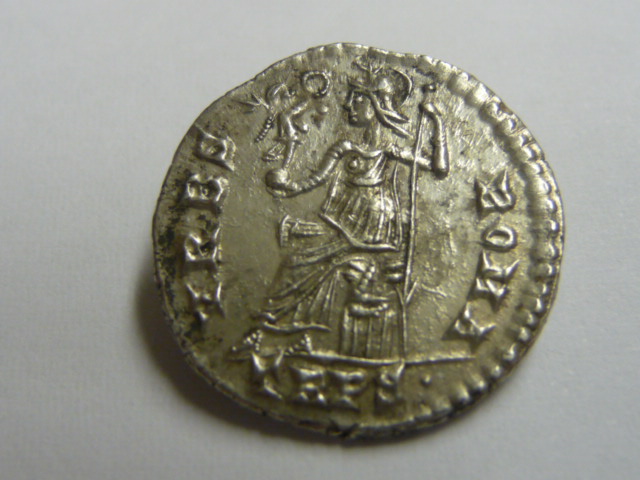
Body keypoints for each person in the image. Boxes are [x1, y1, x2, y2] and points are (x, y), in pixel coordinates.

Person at [259, 65, 448, 359]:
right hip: (344, 222)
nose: (348, 105)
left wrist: (436, 120)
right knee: (302, 261)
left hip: (373, 226)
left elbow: (440, 168)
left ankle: (280, 325)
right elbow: (315, 180)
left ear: (376, 105)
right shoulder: (345, 146)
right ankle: (300, 331)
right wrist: (287, 188)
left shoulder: (391, 150)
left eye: (357, 98)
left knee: (301, 259)